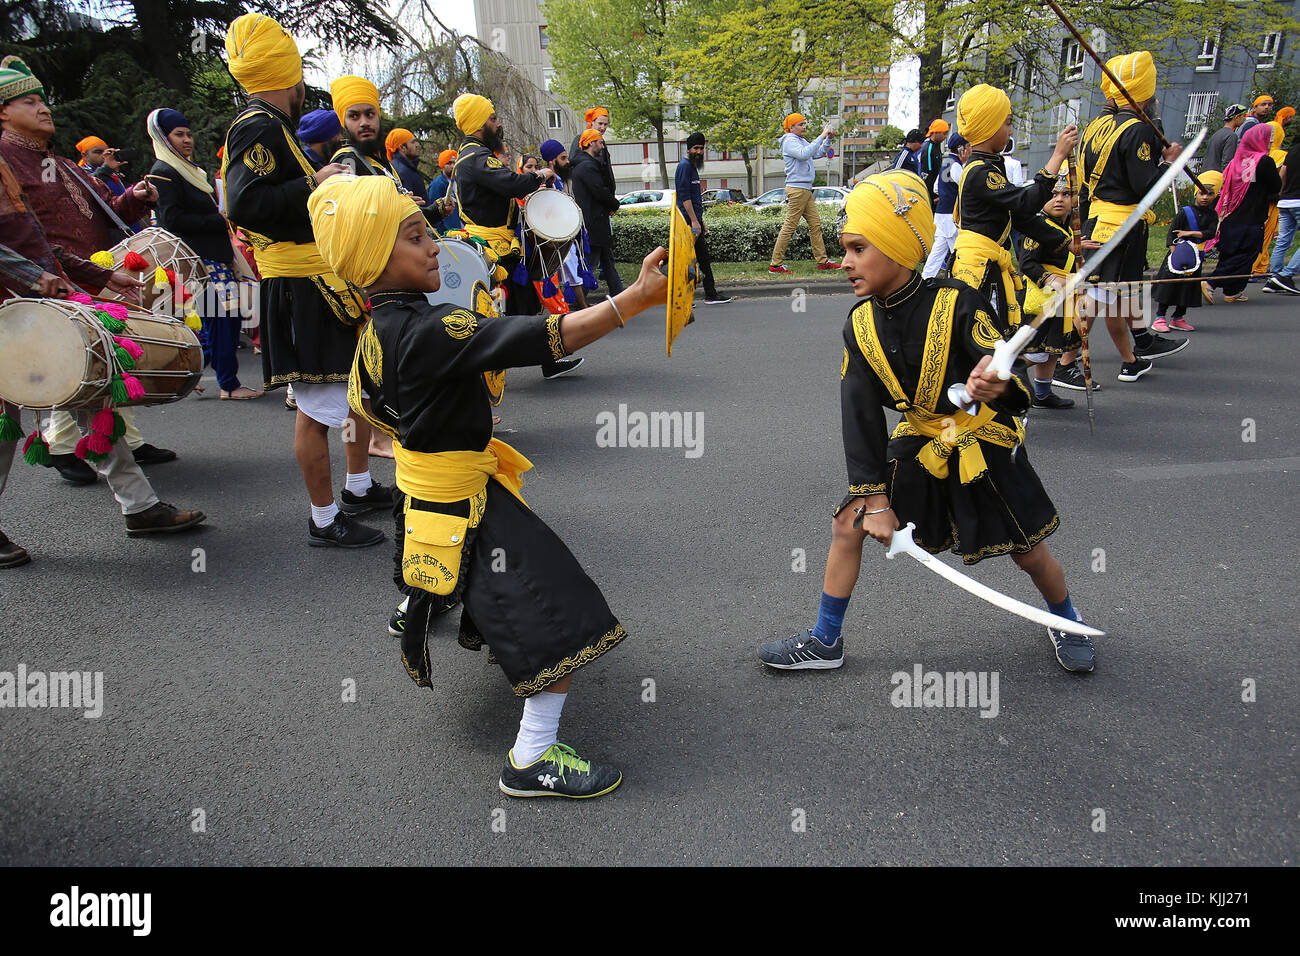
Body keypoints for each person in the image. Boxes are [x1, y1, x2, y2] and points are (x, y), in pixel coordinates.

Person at [308, 173, 671, 795]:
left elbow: (370, 408)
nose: (433, 247)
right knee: (557, 611)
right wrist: (633, 298)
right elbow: (540, 337)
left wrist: (445, 409)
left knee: (466, 577)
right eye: (416, 237)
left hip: (429, 494)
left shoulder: (374, 332)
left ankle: (425, 602)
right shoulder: (432, 328)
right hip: (466, 499)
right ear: (374, 259)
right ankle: (532, 758)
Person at [757, 170, 1095, 674]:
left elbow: (994, 357)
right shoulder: (859, 324)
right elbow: (860, 413)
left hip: (980, 440)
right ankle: (825, 639)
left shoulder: (957, 300)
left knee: (1029, 553)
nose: (845, 262)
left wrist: (993, 378)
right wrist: (873, 499)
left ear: (894, 246)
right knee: (848, 522)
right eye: (845, 249)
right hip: (920, 439)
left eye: (857, 248)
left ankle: (1066, 619)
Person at [0, 58, 206, 547]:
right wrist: (38, 278)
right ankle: (138, 505)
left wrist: (123, 225)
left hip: (54, 293)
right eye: (29, 101)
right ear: (2, 113)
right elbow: (23, 247)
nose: (43, 107)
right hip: (14, 302)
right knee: (4, 420)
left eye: (42, 98)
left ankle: (141, 507)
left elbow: (72, 231)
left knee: (93, 396)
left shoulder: (60, 162)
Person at [222, 12, 392, 548]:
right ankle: (323, 519)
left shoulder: (268, 125)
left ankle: (360, 486)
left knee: (352, 390)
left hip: (318, 285)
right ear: (289, 74)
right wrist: (314, 184)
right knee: (317, 408)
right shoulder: (259, 125)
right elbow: (245, 204)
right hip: (300, 289)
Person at [452, 93, 582, 378]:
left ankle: (543, 361)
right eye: (493, 118)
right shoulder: (476, 157)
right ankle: (483, 373)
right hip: (494, 250)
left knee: (520, 308)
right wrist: (539, 175)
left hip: (499, 246)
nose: (498, 124)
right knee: (507, 311)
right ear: (477, 124)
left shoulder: (472, 156)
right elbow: (512, 183)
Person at [1077, 51, 1188, 382]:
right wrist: (1169, 164)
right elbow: (1146, 188)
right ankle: (1066, 359)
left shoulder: (1097, 125)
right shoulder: (1138, 130)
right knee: (1098, 298)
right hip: (1120, 225)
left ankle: (1134, 353)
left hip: (1096, 218)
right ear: (1146, 91)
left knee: (1118, 293)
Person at [148, 108, 261, 401]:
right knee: (222, 319)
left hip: (217, 257)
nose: (187, 140)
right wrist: (219, 219)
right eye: (178, 135)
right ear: (163, 137)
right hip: (200, 261)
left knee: (224, 320)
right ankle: (228, 384)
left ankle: (189, 374)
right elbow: (171, 220)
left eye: (188, 134)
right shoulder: (164, 172)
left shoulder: (191, 171)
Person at [950, 83, 1075, 335]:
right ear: (990, 126)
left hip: (988, 264)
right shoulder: (980, 171)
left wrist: (1065, 241)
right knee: (988, 343)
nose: (1010, 130)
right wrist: (1057, 156)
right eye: (1007, 123)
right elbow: (1026, 203)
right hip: (978, 270)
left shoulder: (990, 166)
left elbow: (1020, 217)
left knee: (998, 340)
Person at [1014, 172, 1084, 409]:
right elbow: (1027, 263)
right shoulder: (1037, 226)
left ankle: (1043, 394)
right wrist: (1051, 278)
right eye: (1053, 194)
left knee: (1052, 349)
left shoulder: (1067, 228)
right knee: (1033, 351)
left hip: (1060, 296)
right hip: (1039, 297)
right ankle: (1001, 380)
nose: (1059, 199)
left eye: (1066, 194)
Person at [1202, 123, 1280, 303]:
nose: (1269, 143)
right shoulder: (1264, 161)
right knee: (1247, 255)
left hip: (1231, 215)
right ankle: (1211, 282)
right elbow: (1275, 186)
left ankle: (1233, 291)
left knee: (1230, 253)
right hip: (1252, 217)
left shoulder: (1236, 161)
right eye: (1268, 139)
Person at [768, 112, 839, 274]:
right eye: (801, 124)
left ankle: (822, 261)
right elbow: (804, 154)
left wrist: (828, 139)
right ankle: (775, 265)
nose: (804, 127)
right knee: (789, 226)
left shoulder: (799, 140)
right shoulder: (789, 141)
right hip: (798, 190)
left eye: (804, 124)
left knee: (815, 225)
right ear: (791, 127)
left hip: (804, 189)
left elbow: (817, 153)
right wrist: (822, 135)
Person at [1151, 172, 1220, 332]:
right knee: (1170, 286)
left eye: (1210, 194)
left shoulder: (1212, 215)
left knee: (1188, 288)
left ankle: (1178, 317)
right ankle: (1160, 317)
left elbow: (1211, 233)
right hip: (1177, 255)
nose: (1205, 197)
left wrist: (1191, 234)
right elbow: (1171, 234)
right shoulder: (1185, 212)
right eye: (1202, 193)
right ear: (1196, 193)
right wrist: (1174, 253)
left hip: (1195, 256)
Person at [674, 131, 731, 305]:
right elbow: (685, 199)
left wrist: (700, 221)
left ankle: (709, 293)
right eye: (696, 148)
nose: (699, 152)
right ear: (689, 148)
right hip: (687, 223)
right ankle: (685, 297)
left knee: (702, 259)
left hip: (694, 221)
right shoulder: (684, 167)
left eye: (701, 148)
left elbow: (694, 197)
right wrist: (694, 220)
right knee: (687, 262)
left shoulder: (691, 167)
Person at [570, 127, 624, 304]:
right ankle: (578, 301)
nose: (602, 146)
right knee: (591, 263)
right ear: (590, 143)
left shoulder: (583, 165)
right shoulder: (587, 166)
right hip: (594, 223)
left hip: (594, 221)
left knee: (606, 261)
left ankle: (619, 296)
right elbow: (599, 191)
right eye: (600, 142)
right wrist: (614, 204)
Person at [539, 138, 594, 310]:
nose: (567, 161)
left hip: (566, 233)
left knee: (572, 266)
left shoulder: (562, 180)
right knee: (566, 269)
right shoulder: (546, 182)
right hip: (554, 235)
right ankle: (576, 306)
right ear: (551, 161)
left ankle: (575, 304)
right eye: (563, 158)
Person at [330, 76, 398, 182]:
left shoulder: (381, 158)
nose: (364, 123)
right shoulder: (347, 161)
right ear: (345, 124)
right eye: (354, 116)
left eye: (369, 114)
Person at [921, 132, 969, 279]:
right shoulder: (956, 165)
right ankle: (963, 278)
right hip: (951, 215)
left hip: (942, 212)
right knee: (958, 249)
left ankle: (926, 277)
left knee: (939, 249)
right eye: (968, 146)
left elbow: (936, 187)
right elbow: (965, 186)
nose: (970, 149)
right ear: (962, 149)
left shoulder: (945, 162)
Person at [1251, 120, 1289, 277]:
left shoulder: (1252, 154)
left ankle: (1260, 266)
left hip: (1253, 200)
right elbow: (1282, 180)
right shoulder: (1281, 156)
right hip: (1272, 201)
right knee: (1265, 236)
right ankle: (1254, 267)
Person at [1264, 130, 1300, 295]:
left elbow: (1283, 173)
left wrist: (1282, 193)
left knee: (1284, 240)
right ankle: (1285, 275)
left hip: (1285, 201)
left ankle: (1274, 277)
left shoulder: (1292, 151)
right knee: (1285, 239)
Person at [570, 107, 615, 196]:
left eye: (605, 124)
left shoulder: (602, 142)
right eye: (600, 123)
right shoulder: (580, 139)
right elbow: (573, 163)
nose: (603, 127)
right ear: (592, 122)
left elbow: (607, 170)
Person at [387, 128, 428, 203]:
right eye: (413, 142)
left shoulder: (407, 168)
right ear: (402, 148)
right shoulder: (402, 172)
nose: (417, 145)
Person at [1204, 104, 1248, 173]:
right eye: (1244, 116)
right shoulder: (1231, 136)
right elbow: (1227, 163)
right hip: (1218, 178)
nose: (1245, 119)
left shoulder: (1217, 134)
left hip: (1206, 176)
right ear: (1237, 117)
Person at [425, 148, 461, 232]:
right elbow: (434, 210)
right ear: (443, 165)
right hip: (447, 232)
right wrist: (443, 231)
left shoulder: (459, 182)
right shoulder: (437, 185)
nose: (453, 166)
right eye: (449, 163)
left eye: (454, 163)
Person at [919, 119, 948, 202]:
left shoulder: (937, 146)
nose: (945, 136)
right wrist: (932, 196)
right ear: (935, 132)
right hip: (931, 193)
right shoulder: (929, 148)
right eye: (944, 133)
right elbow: (927, 174)